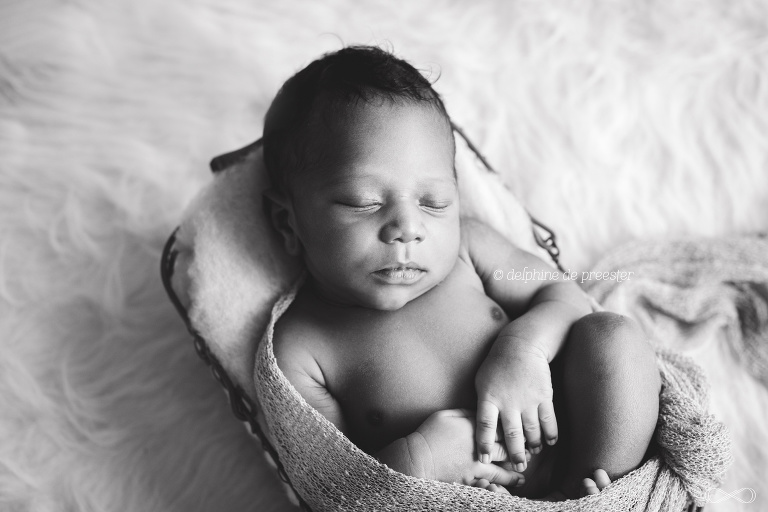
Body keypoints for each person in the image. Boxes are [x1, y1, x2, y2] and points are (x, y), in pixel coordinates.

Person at [262, 45, 660, 499]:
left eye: (434, 203)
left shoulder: (468, 250)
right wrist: (421, 458)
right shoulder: (301, 347)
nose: (408, 228)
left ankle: (608, 495)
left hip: (577, 455)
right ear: (287, 222)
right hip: (462, 502)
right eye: (363, 202)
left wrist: (523, 349)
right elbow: (335, 493)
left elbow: (559, 290)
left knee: (612, 336)